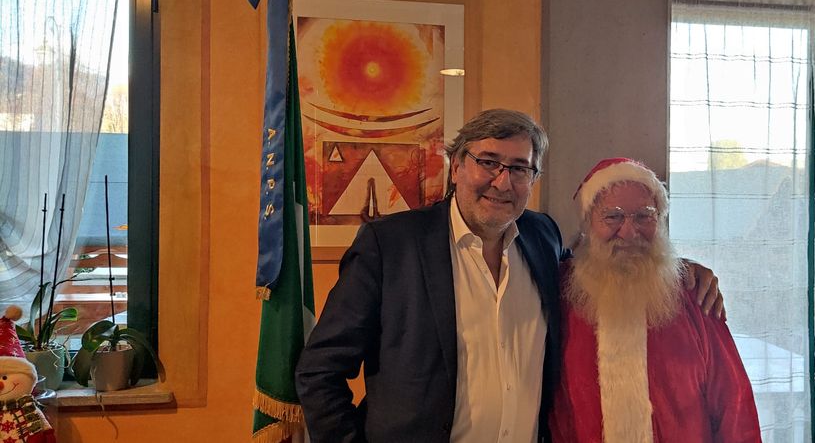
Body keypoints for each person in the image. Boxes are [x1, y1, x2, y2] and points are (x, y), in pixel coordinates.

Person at [295, 110, 723, 443]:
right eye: (488, 162)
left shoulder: (542, 237)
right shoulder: (391, 245)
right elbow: (319, 371)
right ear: (457, 167)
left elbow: (604, 267)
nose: (503, 182)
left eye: (520, 168)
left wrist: (682, 271)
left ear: (533, 178)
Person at [550, 158, 761, 443]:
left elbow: (734, 405)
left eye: (644, 216)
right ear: (588, 224)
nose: (629, 232)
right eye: (612, 217)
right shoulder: (559, 291)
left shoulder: (694, 292)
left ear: (660, 221)